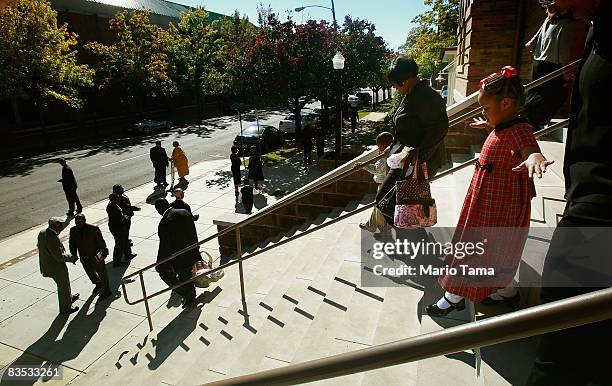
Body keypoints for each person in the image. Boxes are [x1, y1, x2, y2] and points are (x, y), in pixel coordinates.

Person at [527, 1, 612, 384]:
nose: (546, 3)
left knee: (560, 357)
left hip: (599, 219)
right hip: (586, 200)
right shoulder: (593, 24)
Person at [425, 66, 554, 317]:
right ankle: (505, 292)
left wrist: (535, 157)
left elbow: (528, 147)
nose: (484, 112)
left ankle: (454, 297)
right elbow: (505, 141)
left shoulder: (520, 130)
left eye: (486, 108)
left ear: (506, 103)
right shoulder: (506, 125)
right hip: (487, 201)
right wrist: (488, 125)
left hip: (497, 207)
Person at [375, 57, 448, 225]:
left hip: (414, 162)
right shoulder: (412, 93)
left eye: (395, 84)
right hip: (404, 160)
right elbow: (409, 127)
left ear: (406, 80)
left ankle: (406, 240)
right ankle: (403, 239)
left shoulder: (427, 97)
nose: (394, 89)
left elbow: (439, 130)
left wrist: (413, 154)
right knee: (399, 205)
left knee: (389, 202)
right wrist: (394, 147)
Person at [523, 0, 589, 130]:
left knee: (536, 93)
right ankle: (535, 122)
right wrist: (565, 74)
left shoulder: (547, 22)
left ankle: (529, 120)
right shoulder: (566, 24)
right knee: (558, 95)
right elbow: (564, 51)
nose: (546, 10)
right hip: (552, 64)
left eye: (547, 7)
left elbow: (530, 44)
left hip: (538, 63)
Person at [154, 198, 202, 308]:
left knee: (165, 274)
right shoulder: (184, 212)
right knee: (186, 276)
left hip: (179, 258)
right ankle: (190, 296)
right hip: (192, 251)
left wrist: (161, 264)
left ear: (158, 210)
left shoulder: (164, 223)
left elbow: (165, 246)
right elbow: (193, 233)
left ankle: (187, 293)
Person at [353, 132, 394, 235]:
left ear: (383, 145)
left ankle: (383, 229)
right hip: (391, 183)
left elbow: (376, 169)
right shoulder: (394, 151)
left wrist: (363, 165)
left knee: (380, 207)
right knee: (378, 206)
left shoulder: (384, 157)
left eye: (378, 145)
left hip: (384, 185)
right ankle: (371, 225)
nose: (378, 148)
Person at [37, 217, 80, 315]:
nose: (62, 226)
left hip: (48, 264)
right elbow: (59, 257)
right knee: (63, 286)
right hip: (55, 267)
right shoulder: (51, 237)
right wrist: (72, 257)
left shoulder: (43, 232)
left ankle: (68, 298)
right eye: (60, 224)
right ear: (54, 225)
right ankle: (66, 308)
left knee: (65, 284)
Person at [69, 213, 111, 299]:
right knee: (90, 272)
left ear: (84, 220)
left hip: (95, 256)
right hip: (84, 257)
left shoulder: (93, 229)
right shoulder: (73, 230)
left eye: (80, 221)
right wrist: (73, 255)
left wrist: (104, 251)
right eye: (76, 221)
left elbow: (101, 242)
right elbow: (72, 244)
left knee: (102, 272)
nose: (78, 223)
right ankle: (98, 283)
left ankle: (107, 289)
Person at [106, 193, 133, 267]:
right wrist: (125, 218)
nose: (119, 199)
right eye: (117, 198)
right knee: (119, 244)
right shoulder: (111, 208)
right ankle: (117, 261)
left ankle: (128, 254)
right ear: (113, 200)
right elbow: (117, 220)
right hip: (117, 229)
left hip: (121, 227)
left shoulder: (115, 205)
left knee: (125, 240)